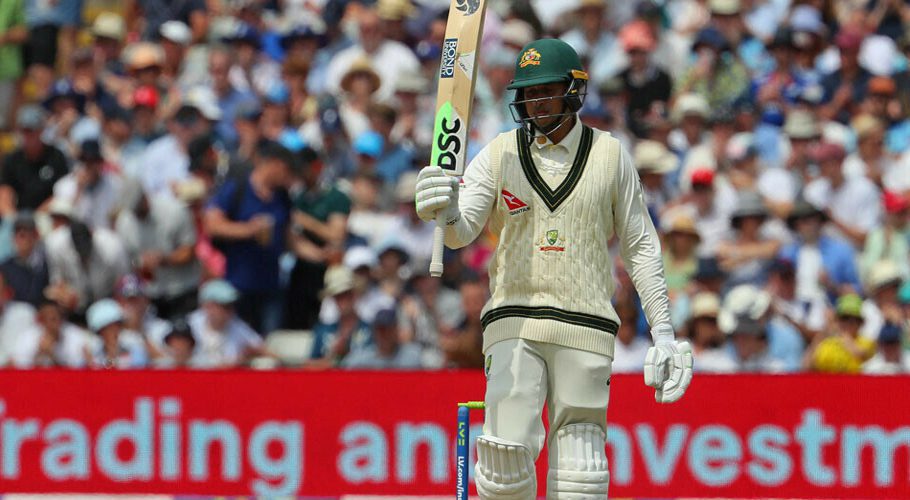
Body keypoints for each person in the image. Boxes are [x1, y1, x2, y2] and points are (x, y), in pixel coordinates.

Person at [415, 39, 692, 499]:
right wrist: (440, 208)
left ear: (572, 90)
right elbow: (462, 230)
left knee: (581, 470)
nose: (536, 102)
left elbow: (640, 244)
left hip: (586, 322)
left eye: (546, 91)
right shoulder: (501, 152)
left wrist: (663, 332)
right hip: (513, 318)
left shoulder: (610, 155)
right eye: (528, 92)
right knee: (504, 457)